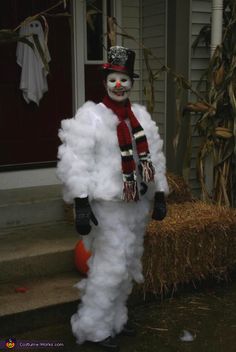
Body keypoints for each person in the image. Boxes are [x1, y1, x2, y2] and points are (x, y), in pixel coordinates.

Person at [57, 46, 169, 351]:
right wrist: (81, 201)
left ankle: (116, 320)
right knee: (110, 265)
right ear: (105, 81)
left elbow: (154, 155)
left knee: (129, 262)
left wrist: (160, 192)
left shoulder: (141, 117)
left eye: (124, 79)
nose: (119, 85)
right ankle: (93, 328)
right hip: (108, 205)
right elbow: (75, 159)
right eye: (113, 79)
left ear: (130, 82)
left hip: (135, 203)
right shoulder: (91, 116)